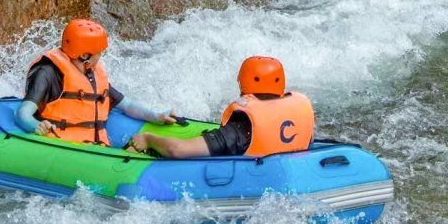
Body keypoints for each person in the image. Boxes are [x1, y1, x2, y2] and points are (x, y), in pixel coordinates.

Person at [17, 18, 175, 144]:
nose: (100, 57)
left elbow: (126, 105)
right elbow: (23, 114)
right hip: (62, 145)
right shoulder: (48, 73)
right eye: (99, 53)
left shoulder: (91, 74)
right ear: (85, 56)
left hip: (93, 147)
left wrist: (155, 116)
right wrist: (37, 126)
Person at [128, 56, 315, 159]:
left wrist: (149, 139)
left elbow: (177, 149)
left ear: (243, 83)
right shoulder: (297, 111)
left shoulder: (240, 129)